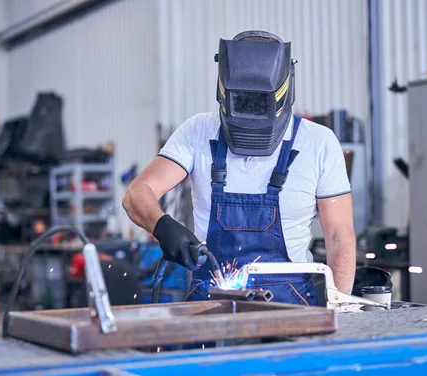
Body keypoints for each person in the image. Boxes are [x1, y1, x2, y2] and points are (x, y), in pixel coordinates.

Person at [123, 30, 355, 306]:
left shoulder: (319, 143)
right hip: (211, 299)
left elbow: (340, 236)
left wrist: (342, 309)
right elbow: (136, 194)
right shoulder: (198, 132)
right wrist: (161, 225)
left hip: (289, 303)